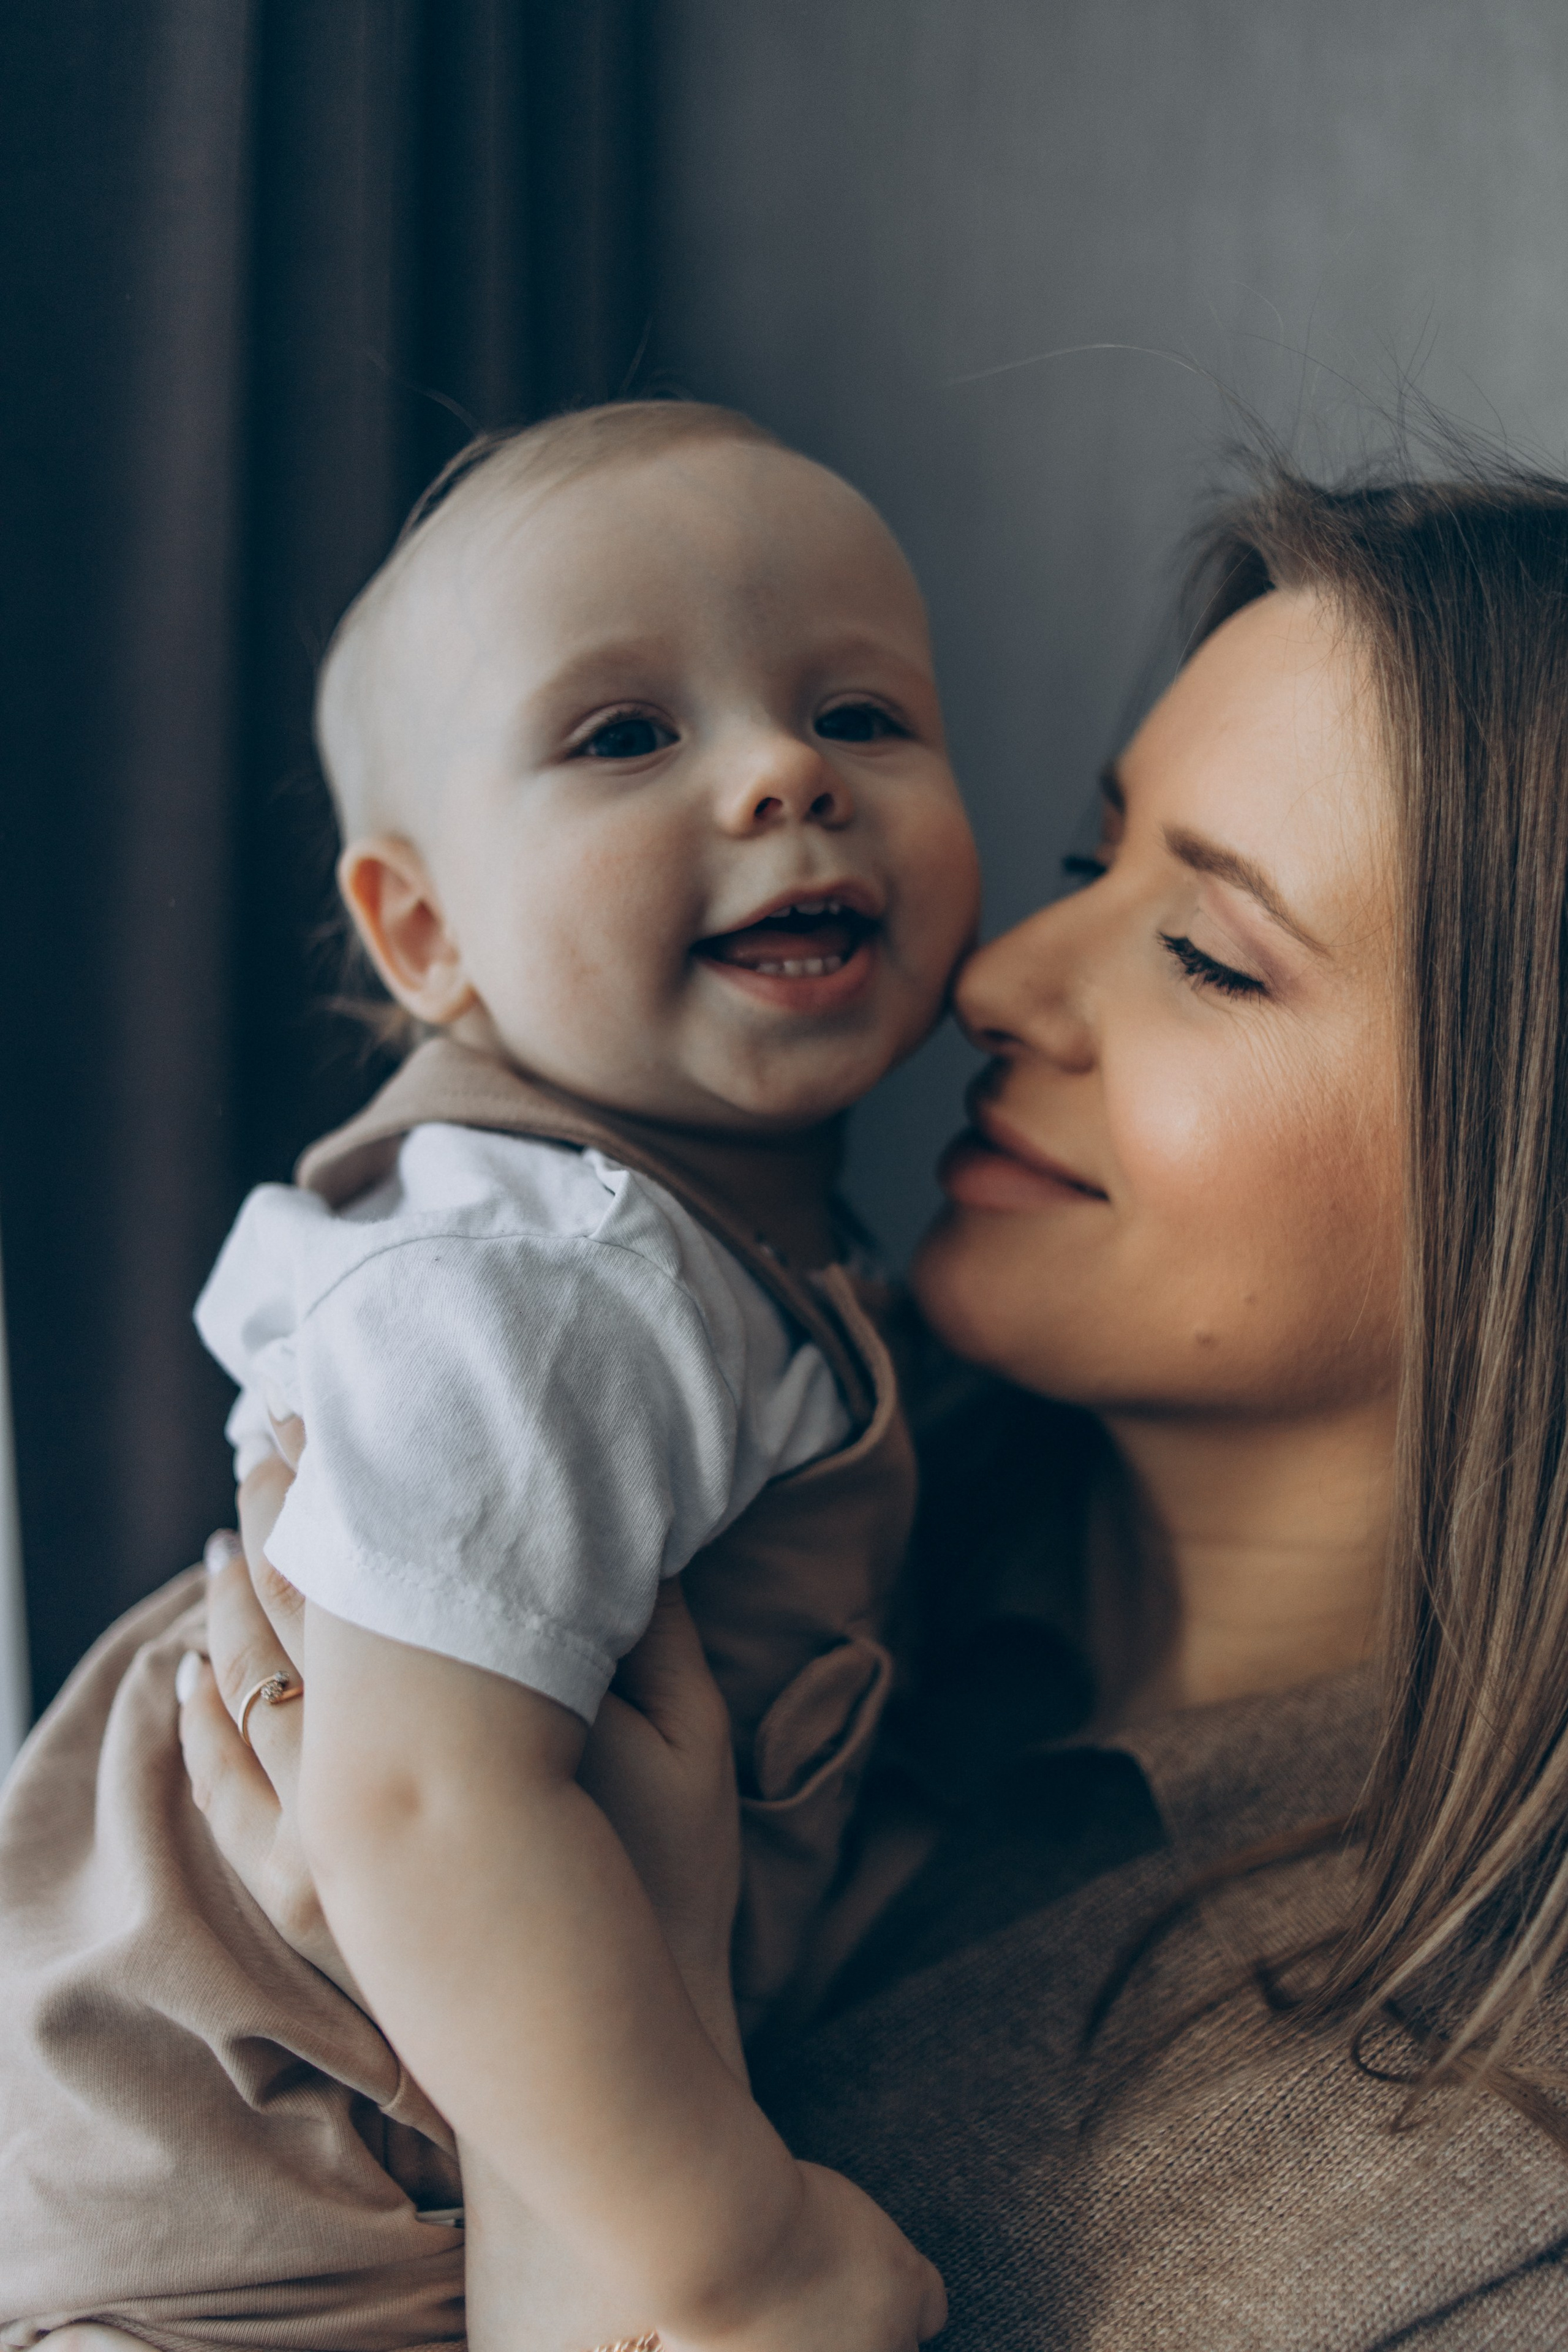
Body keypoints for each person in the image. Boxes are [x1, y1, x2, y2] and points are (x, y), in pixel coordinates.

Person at [163, 458, 1568, 2344]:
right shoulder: (737, 1444)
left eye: (1210, 953)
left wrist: (531, 2083)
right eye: (1088, 865)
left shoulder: (1485, 2186)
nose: (998, 979)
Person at [0, 401, 973, 2351]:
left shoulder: (717, 1259)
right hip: (237, 2220)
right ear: (426, 931)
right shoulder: (546, 1271)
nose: (786, 771)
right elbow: (423, 1806)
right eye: (628, 735)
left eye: (862, 714)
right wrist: (725, 2252)